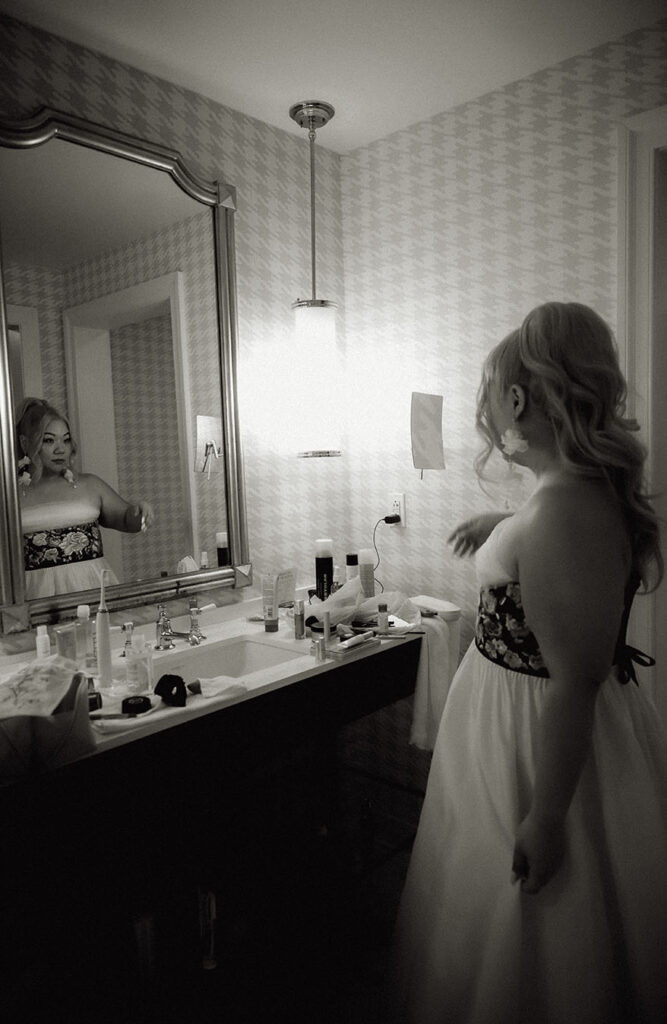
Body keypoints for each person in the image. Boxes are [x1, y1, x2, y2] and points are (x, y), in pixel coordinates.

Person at [390, 302, 667, 1023]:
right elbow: (548, 543)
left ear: (516, 398)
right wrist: (502, 525)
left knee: (542, 926)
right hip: (517, 727)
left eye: (489, 392)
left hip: (534, 742)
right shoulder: (563, 496)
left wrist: (546, 818)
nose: (484, 408)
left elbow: (572, 683)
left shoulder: (559, 515)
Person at [15, 397, 154, 600]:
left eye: (66, 439)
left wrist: (140, 512)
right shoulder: (12, 496)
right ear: (26, 443)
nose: (60, 449)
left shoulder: (90, 485)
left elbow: (127, 518)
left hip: (93, 590)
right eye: (49, 440)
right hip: (36, 595)